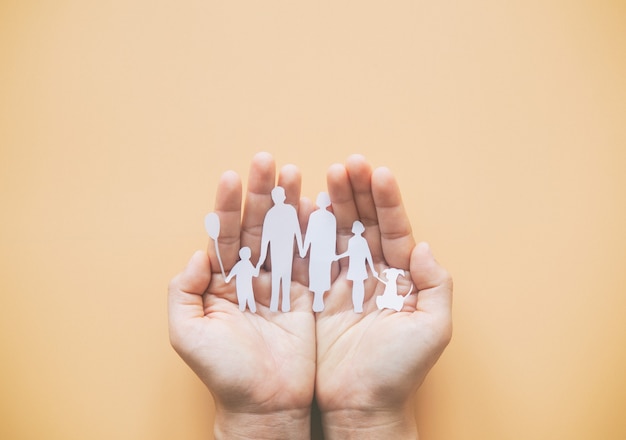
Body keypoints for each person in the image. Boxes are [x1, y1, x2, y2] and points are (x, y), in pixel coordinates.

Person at [168, 152, 453, 439]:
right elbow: (269, 235)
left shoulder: (304, 217)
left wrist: (372, 414)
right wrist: (256, 416)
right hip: (289, 256)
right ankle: (291, 298)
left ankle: (298, 297)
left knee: (288, 280)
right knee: (285, 283)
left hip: (309, 257)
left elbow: (302, 235)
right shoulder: (304, 218)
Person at [302, 192, 337, 312]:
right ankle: (318, 298)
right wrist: (304, 249)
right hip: (320, 250)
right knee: (319, 274)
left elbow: (310, 235)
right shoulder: (327, 217)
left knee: (319, 274)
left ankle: (319, 298)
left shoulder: (320, 217)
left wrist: (304, 249)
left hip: (320, 250)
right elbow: (310, 234)